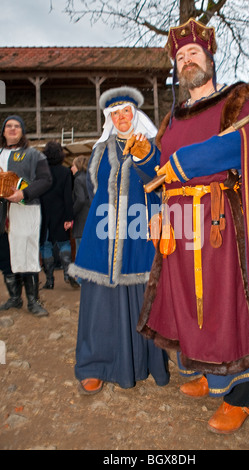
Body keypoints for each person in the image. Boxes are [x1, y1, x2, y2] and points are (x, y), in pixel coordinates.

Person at [125, 18, 249, 434]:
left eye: (193, 53)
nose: (187, 61)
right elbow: (158, 170)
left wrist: (183, 164)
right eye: (180, 57)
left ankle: (240, 395)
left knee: (230, 302)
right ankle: (208, 370)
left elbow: (245, 141)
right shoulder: (174, 117)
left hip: (222, 217)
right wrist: (145, 153)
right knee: (190, 299)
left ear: (209, 58)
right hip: (181, 223)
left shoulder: (238, 99)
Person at [69, 86, 170, 394]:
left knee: (141, 301)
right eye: (116, 113)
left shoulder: (153, 146)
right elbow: (92, 185)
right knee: (100, 302)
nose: (122, 117)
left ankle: (142, 364)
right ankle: (95, 365)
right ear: (109, 118)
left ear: (135, 114)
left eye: (127, 111)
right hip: (103, 237)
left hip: (139, 235)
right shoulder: (100, 150)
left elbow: (162, 183)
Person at [0, 115, 52, 316]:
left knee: (28, 253)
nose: (12, 129)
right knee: (5, 255)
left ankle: (33, 301)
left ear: (22, 131)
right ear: (3, 131)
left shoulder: (33, 155)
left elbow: (46, 180)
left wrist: (24, 193)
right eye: (8, 126)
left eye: (17, 126)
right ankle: (14, 298)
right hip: (2, 213)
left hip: (25, 209)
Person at [40, 141, 79, 289]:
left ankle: (49, 281)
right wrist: (69, 217)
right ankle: (68, 274)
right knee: (64, 244)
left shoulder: (41, 171)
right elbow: (67, 197)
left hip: (43, 213)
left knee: (46, 245)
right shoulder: (65, 172)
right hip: (61, 213)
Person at [70, 155, 91, 256]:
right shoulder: (91, 178)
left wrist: (72, 213)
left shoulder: (78, 180)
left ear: (78, 166)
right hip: (92, 220)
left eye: (73, 165)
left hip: (81, 221)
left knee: (80, 253)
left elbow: (81, 199)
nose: (71, 168)